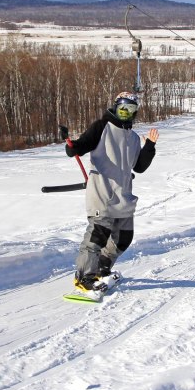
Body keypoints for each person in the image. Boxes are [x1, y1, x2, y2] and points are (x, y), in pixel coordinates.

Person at [65, 91, 158, 294]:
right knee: (97, 237)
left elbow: (139, 167)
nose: (126, 113)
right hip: (102, 193)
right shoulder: (102, 127)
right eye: (123, 109)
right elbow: (82, 145)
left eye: (130, 110)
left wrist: (149, 147)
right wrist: (73, 147)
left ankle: (101, 267)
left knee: (124, 237)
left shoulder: (133, 137)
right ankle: (84, 277)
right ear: (116, 107)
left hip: (123, 195)